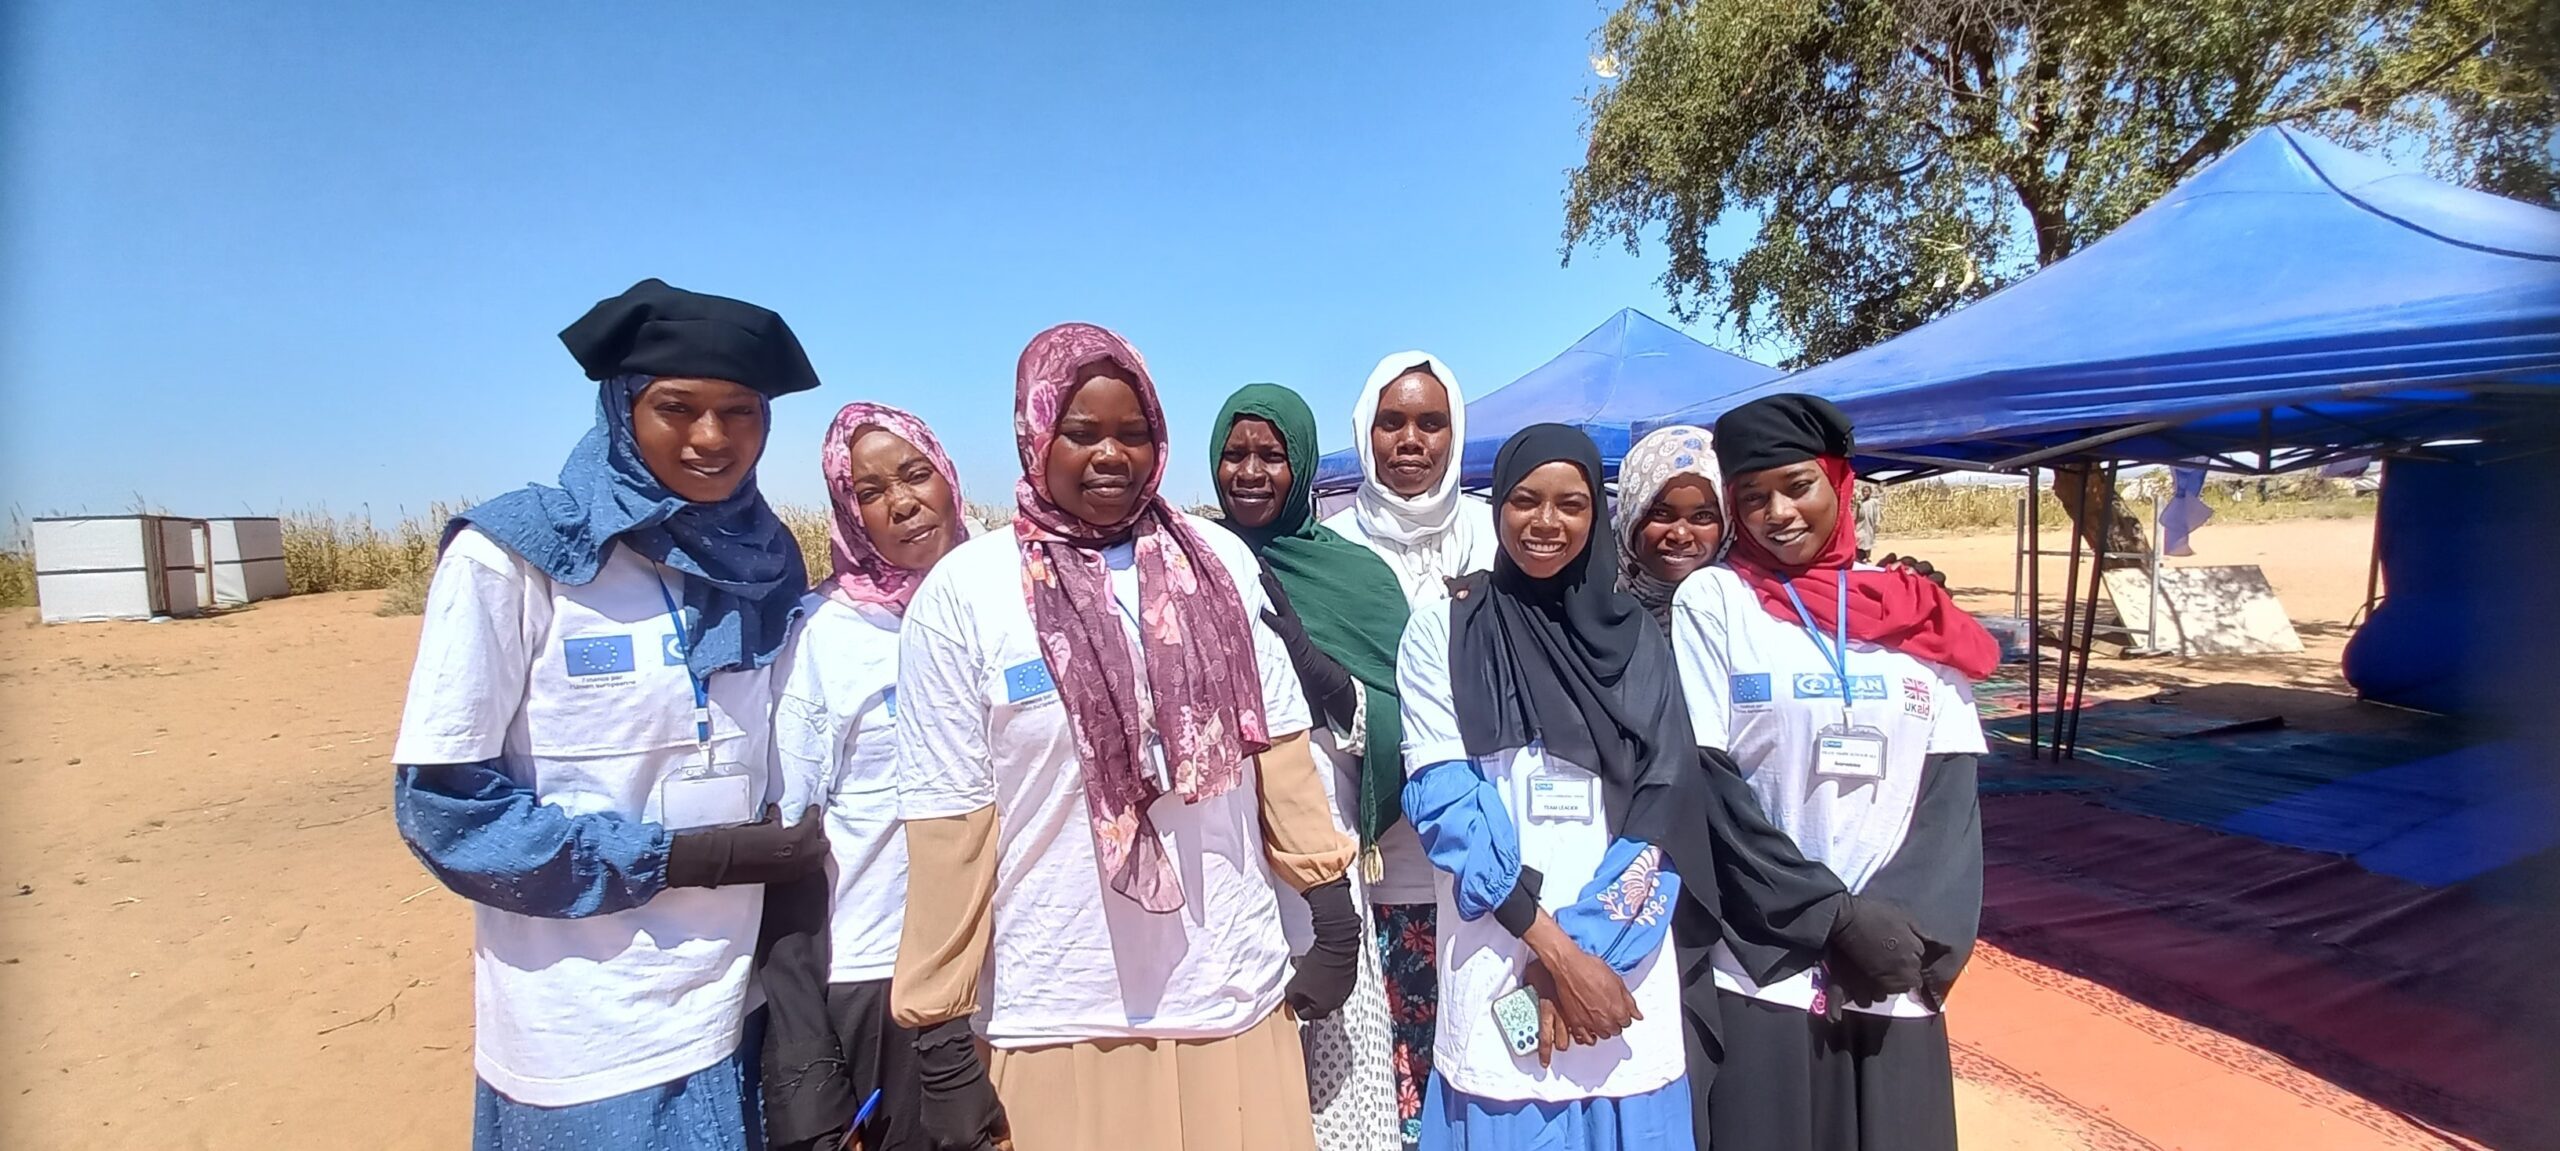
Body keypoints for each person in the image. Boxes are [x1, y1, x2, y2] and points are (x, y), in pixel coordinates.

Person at [887, 323, 1363, 1151]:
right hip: (1057, 1009)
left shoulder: (1219, 562)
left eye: (1133, 433)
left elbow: (1279, 749)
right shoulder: (966, 594)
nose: (1111, 455)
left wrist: (1332, 912)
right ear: (1035, 433)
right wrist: (938, 1038)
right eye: (1082, 432)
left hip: (1229, 993)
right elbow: (950, 825)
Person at [390, 278, 830, 1151]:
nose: (712, 439)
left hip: (739, 1002)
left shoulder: (764, 557)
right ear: (622, 407)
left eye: (739, 410)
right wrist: (677, 860)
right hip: (587, 1023)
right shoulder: (515, 558)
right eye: (677, 407)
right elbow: (448, 810)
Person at [1669, 394, 1999, 1151]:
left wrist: (1900, 930)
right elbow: (1711, 784)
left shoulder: (1913, 611)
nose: (1777, 513)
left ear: (1840, 482)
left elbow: (1949, 798)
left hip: (1891, 967)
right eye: (1751, 498)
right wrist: (1832, 918)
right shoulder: (1716, 602)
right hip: (1767, 966)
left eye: (1797, 486)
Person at [1395, 423, 1708, 1150]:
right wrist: (1557, 956)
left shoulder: (1638, 638)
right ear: (1498, 505)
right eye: (1526, 500)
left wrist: (1589, 958)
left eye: (1570, 503)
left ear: (1595, 513)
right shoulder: (1445, 628)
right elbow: (1447, 804)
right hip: (1500, 966)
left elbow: (1665, 807)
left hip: (1618, 981)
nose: (1546, 522)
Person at [760, 402, 969, 1151]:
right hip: (880, 972)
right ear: (849, 512)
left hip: (1009, 961)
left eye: (916, 475)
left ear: (949, 478)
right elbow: (786, 846)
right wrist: (808, 1076)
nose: (903, 502)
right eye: (871, 491)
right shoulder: (824, 636)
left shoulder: (1002, 600)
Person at [1211, 383, 1406, 1151]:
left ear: (1301, 463)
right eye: (1235, 453)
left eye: (1272, 454)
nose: (1251, 471)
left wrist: (1316, 667)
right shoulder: (1191, 561)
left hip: (1319, 841)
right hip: (1219, 850)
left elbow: (1406, 711)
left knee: (1328, 1062)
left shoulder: (1355, 576)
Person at [1319, 352, 1500, 1146]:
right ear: (1365, 432)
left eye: (1431, 422)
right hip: (1379, 857)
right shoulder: (1327, 548)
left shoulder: (1501, 532)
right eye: (1391, 422)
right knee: (1393, 1076)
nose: (1411, 439)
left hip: (1494, 864)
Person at [1611, 425, 1727, 630]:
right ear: (1630, 514)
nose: (1680, 536)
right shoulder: (1587, 596)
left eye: (1703, 516)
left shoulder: (1746, 609)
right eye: (1660, 513)